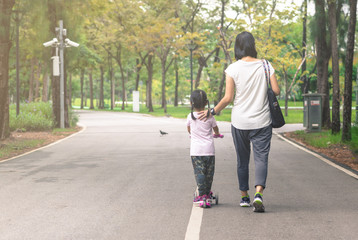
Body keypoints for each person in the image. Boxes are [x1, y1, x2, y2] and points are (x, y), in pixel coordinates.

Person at [199, 31, 280, 212]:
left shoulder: (233, 69)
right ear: (253, 45)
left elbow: (228, 98)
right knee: (261, 159)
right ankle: (258, 194)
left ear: (237, 47)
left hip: (240, 122)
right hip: (262, 121)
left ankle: (244, 197)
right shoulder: (266, 65)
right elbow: (276, 90)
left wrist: (212, 111)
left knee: (242, 161)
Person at [187, 89, 222, 208]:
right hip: (209, 150)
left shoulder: (190, 117)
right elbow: (216, 129)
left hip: (196, 151)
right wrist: (216, 134)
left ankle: (201, 195)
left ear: (191, 103)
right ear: (206, 103)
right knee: (209, 173)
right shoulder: (210, 117)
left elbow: (189, 130)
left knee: (199, 172)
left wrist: (192, 134)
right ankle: (207, 193)